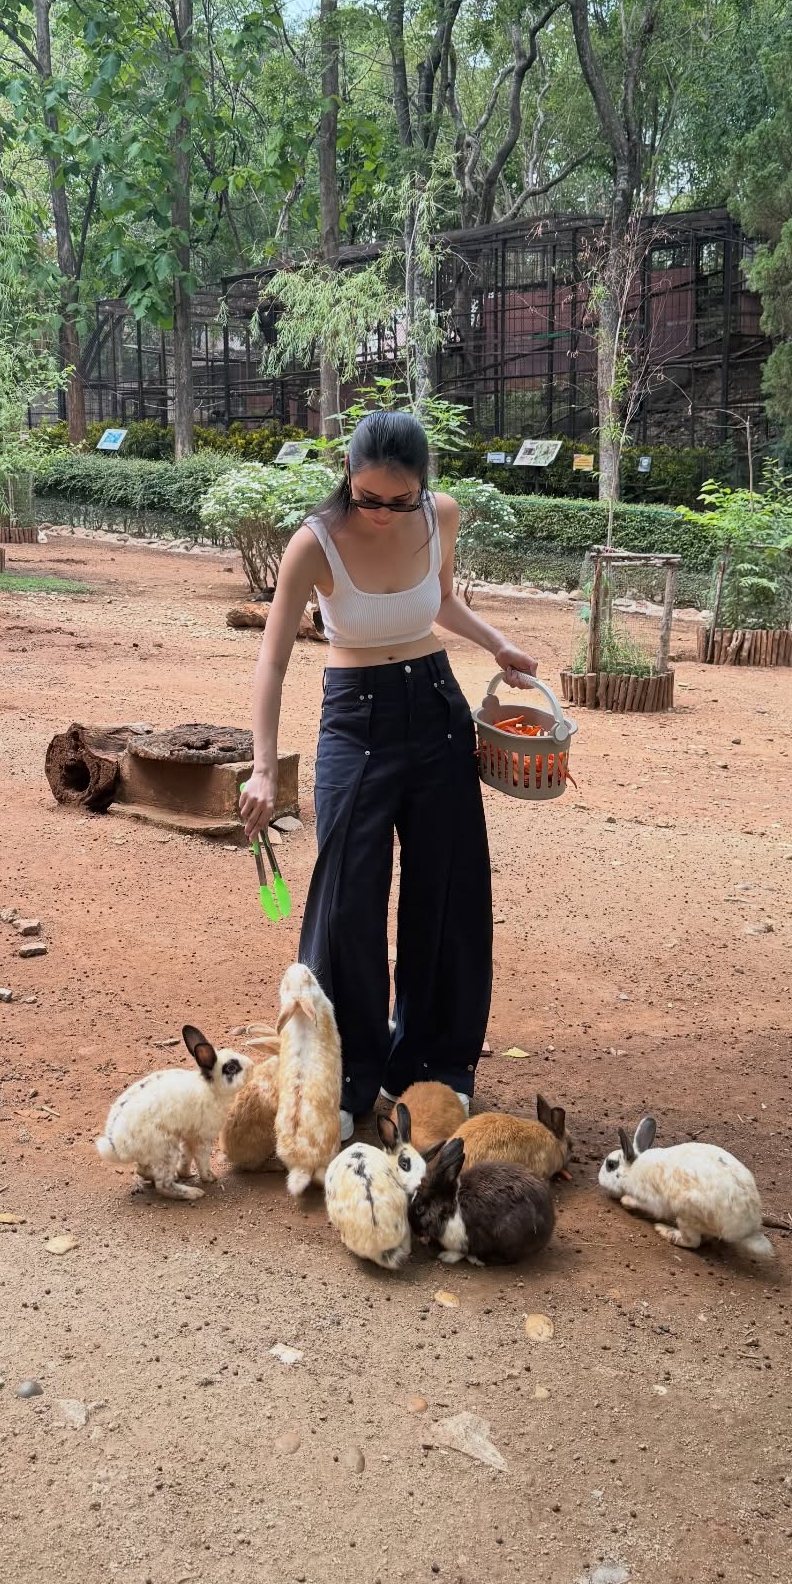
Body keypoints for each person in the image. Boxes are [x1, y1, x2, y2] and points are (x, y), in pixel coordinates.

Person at [240, 410, 539, 1138]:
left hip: (437, 709)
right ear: (347, 475)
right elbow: (273, 661)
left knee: (448, 889)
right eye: (367, 497)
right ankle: (343, 1079)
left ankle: (432, 1067)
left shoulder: (441, 516)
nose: (381, 512)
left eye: (399, 501)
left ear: (423, 487)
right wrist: (262, 768)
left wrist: (498, 645)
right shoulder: (313, 542)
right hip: (355, 721)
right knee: (346, 899)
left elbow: (441, 599)